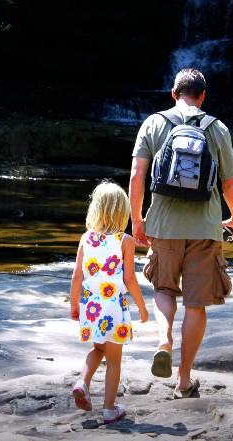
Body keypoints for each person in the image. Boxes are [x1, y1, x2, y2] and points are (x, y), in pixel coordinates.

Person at [129, 67, 233, 399]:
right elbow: (230, 183)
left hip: (163, 225)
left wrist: (137, 219)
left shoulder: (154, 123)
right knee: (196, 304)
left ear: (173, 93)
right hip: (206, 229)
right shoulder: (217, 127)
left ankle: (163, 340)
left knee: (164, 288)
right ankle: (183, 378)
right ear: (203, 96)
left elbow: (138, 173)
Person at [69, 180, 149, 424]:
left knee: (98, 348)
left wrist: (74, 305)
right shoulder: (125, 241)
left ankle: (83, 382)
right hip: (114, 306)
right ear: (122, 211)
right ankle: (109, 409)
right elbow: (129, 279)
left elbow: (77, 276)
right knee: (114, 360)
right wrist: (142, 308)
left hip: (91, 306)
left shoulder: (86, 238)